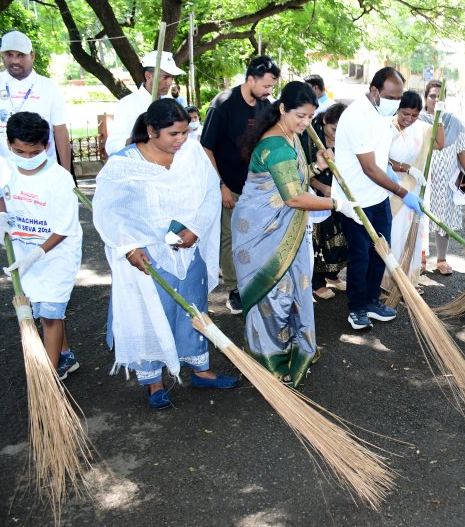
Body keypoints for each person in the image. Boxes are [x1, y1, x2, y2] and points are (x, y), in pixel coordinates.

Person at [93, 99, 237, 409]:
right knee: (152, 313)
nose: (181, 140)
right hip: (147, 257)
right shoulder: (124, 165)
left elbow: (210, 191)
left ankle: (201, 370)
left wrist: (197, 228)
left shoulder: (192, 154)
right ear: (151, 130)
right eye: (173, 134)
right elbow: (108, 212)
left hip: (186, 251)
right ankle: (154, 381)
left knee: (193, 309)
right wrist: (129, 247)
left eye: (186, 132)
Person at [233, 82, 359, 386]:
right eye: (300, 116)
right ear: (281, 109)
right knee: (273, 296)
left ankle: (291, 347)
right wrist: (338, 203)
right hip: (263, 232)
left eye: (309, 117)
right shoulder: (276, 146)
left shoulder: (289, 137)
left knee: (290, 292)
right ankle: (270, 361)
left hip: (284, 226)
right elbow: (294, 198)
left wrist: (315, 167)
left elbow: (295, 182)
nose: (305, 123)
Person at [331, 67, 423, 330]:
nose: (397, 102)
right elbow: (369, 168)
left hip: (378, 196)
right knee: (360, 256)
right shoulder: (358, 115)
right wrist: (403, 192)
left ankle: (371, 300)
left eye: (399, 96)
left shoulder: (381, 113)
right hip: (355, 201)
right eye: (392, 96)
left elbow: (380, 160)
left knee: (380, 251)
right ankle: (357, 308)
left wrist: (392, 175)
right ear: (374, 91)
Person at [0, 112, 82, 379]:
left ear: (46, 146)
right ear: (9, 145)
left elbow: (63, 228)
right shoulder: (6, 169)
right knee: (45, 310)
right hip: (24, 251)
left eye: (33, 152)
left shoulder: (59, 178)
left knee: (48, 316)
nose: (26, 158)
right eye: (19, 151)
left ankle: (46, 378)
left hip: (57, 253)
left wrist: (37, 253)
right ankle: (65, 355)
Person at [200, 56, 280, 315]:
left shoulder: (265, 106)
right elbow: (206, 147)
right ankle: (234, 289)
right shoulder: (223, 105)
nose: (269, 92)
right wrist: (220, 184)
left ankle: (252, 281)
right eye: (266, 86)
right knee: (230, 236)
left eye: (272, 87)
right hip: (229, 185)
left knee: (255, 233)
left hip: (256, 186)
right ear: (250, 79)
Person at [386, 91, 443, 288]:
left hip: (414, 189)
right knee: (392, 235)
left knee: (410, 233)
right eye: (405, 114)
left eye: (414, 115)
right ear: (398, 110)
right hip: (390, 187)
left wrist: (439, 118)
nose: (409, 119)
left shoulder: (421, 128)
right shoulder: (387, 126)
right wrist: (405, 168)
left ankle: (408, 278)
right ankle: (387, 281)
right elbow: (380, 160)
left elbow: (439, 143)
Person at [420, 79, 465, 276]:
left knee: (444, 220)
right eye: (432, 96)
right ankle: (421, 258)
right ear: (426, 98)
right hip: (425, 179)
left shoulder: (454, 123)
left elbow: (462, 151)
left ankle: (441, 259)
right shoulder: (419, 121)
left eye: (440, 96)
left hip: (447, 180)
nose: (436, 100)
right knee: (422, 219)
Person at [0, 31, 72, 171]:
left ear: (32, 55)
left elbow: (60, 130)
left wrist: (66, 172)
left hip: (44, 172)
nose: (15, 61)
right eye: (9, 55)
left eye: (21, 55)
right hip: (3, 174)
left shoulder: (49, 87)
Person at [301, 102, 349, 300]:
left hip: (339, 194)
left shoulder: (347, 139)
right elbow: (302, 171)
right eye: (333, 129)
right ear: (324, 121)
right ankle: (317, 282)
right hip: (316, 192)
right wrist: (322, 188)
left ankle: (331, 274)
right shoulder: (310, 138)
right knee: (318, 239)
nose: (336, 135)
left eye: (341, 130)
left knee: (340, 237)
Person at [105, 50, 185, 156]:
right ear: (148, 76)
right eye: (165, 77)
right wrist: (141, 138)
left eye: (172, 78)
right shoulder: (127, 104)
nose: (170, 83)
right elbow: (112, 146)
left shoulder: (172, 104)